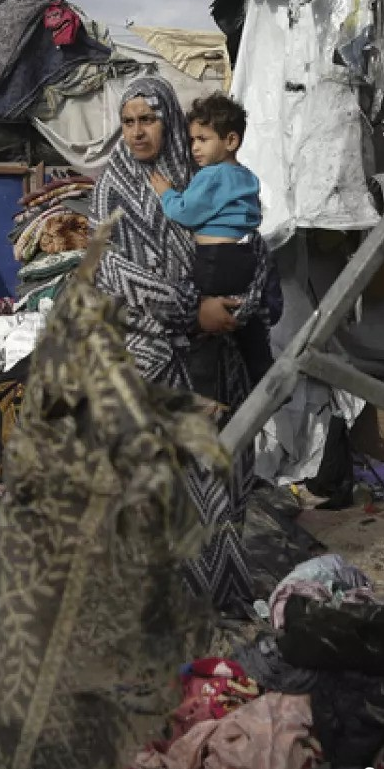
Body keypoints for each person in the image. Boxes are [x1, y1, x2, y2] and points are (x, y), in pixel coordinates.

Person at [90, 74, 273, 612]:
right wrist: (190, 309)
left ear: (168, 119)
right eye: (128, 122)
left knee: (224, 470)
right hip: (149, 354)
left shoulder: (204, 172)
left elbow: (251, 244)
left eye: (148, 120)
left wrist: (239, 305)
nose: (137, 132)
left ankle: (214, 592)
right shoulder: (113, 187)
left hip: (218, 352)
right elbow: (110, 271)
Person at [146, 92, 272, 402]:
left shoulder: (211, 176)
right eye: (192, 141)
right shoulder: (246, 177)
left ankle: (203, 387)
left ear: (230, 141)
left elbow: (185, 212)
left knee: (201, 319)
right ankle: (266, 377)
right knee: (247, 327)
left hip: (215, 260)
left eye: (203, 139)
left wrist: (166, 193)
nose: (195, 148)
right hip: (243, 257)